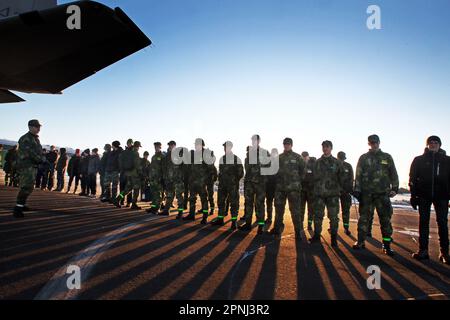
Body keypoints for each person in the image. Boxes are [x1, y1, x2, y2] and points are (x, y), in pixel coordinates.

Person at [352, 134, 399, 256]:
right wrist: (357, 189)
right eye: (371, 142)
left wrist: (395, 188)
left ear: (379, 142)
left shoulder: (386, 157)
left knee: (385, 220)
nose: (373, 144)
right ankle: (361, 242)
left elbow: (393, 173)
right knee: (363, 219)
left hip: (382, 194)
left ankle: (387, 245)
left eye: (375, 142)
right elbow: (358, 174)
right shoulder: (363, 158)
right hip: (367, 194)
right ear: (368, 144)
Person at [409, 136, 449, 264]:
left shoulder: (447, 160)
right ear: (427, 145)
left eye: (435, 142)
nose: (433, 144)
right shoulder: (419, 160)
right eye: (430, 142)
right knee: (423, 223)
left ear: (440, 145)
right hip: (424, 196)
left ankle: (444, 252)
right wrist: (413, 196)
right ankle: (423, 250)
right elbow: (412, 179)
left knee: (442, 223)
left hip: (442, 196)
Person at [309, 141, 344, 246]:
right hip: (319, 194)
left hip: (332, 195)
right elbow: (312, 177)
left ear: (331, 148)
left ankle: (333, 238)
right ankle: (316, 236)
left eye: (327, 147)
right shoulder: (317, 162)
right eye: (323, 147)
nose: (325, 149)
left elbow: (342, 178)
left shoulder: (337, 163)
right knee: (318, 216)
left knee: (333, 217)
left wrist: (340, 190)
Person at [270, 138, 305, 240]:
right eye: (285, 144)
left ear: (291, 145)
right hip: (280, 189)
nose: (286, 145)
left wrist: (297, 182)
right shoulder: (279, 158)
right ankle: (277, 229)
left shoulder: (297, 157)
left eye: (288, 144)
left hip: (293, 189)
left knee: (295, 211)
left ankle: (298, 232)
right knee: (278, 210)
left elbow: (303, 171)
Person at [13, 120, 45, 218]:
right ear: (30, 127)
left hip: (32, 166)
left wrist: (41, 158)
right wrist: (41, 159)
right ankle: (18, 208)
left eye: (39, 127)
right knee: (26, 187)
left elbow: (37, 151)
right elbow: (30, 153)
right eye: (36, 127)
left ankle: (22, 204)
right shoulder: (26, 138)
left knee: (29, 187)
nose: (38, 129)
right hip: (26, 166)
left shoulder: (35, 139)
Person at [239, 135, 271, 234]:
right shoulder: (249, 153)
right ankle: (248, 224)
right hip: (249, 183)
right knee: (248, 203)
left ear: (259, 141)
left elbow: (269, 166)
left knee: (260, 204)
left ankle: (261, 226)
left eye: (256, 140)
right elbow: (247, 167)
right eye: (252, 140)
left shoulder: (265, 152)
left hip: (260, 183)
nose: (254, 142)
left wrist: (264, 179)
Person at [211, 141, 244, 230]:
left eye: (227, 147)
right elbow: (221, 172)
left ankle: (233, 222)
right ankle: (220, 219)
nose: (225, 148)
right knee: (221, 202)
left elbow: (241, 173)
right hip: (222, 185)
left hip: (232, 186)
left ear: (231, 147)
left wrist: (234, 181)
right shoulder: (222, 159)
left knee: (234, 203)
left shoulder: (236, 159)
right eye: (224, 147)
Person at [183, 139, 210, 224]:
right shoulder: (193, 154)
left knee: (204, 200)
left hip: (202, 182)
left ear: (202, 145)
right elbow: (188, 166)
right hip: (193, 181)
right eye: (195, 144)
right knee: (192, 199)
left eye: (198, 144)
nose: (196, 146)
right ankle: (191, 215)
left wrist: (208, 180)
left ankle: (205, 217)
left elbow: (210, 168)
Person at [115, 141, 143, 210]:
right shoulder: (135, 153)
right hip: (134, 174)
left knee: (127, 189)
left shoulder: (128, 152)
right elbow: (137, 164)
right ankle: (134, 204)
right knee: (136, 189)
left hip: (128, 173)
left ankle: (117, 199)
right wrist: (140, 173)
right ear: (138, 146)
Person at [161, 141, 186, 218]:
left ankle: (180, 212)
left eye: (172, 145)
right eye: (169, 145)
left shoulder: (179, 154)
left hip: (177, 179)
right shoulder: (167, 155)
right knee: (169, 195)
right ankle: (166, 210)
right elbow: (164, 167)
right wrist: (165, 177)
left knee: (179, 196)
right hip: (169, 179)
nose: (171, 146)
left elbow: (184, 165)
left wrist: (182, 176)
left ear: (175, 146)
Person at [337, 151, 354, 235]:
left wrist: (350, 189)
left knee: (346, 211)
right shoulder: (334, 165)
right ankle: (333, 227)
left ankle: (346, 228)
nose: (341, 160)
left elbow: (351, 178)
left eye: (342, 158)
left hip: (346, 192)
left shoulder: (348, 166)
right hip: (335, 192)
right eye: (340, 158)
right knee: (334, 211)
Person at [146, 142, 165, 214]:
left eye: (157, 146)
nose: (156, 148)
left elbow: (164, 168)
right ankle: (153, 207)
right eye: (155, 146)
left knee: (158, 194)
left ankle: (158, 208)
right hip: (152, 178)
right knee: (153, 194)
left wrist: (162, 178)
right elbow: (151, 167)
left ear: (160, 147)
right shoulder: (153, 157)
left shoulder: (162, 156)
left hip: (159, 178)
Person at [300, 151, 316, 231]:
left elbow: (316, 176)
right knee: (301, 208)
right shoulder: (300, 164)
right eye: (303, 157)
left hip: (311, 191)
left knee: (311, 209)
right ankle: (301, 223)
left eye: (305, 157)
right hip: (302, 191)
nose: (304, 159)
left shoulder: (313, 164)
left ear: (308, 157)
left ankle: (309, 224)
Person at [265, 149, 278, 227]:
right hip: (269, 186)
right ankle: (269, 218)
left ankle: (278, 220)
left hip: (277, 187)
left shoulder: (279, 162)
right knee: (269, 203)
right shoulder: (268, 162)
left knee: (278, 205)